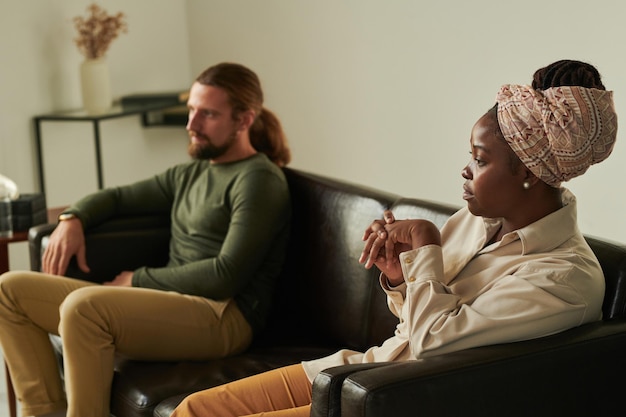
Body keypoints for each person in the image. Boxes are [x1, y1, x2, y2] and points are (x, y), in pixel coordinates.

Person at [169, 59, 618, 417]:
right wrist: (400, 279)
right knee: (193, 408)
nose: (465, 170)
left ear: (526, 173)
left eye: (479, 160)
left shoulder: (564, 279)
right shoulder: (476, 220)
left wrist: (425, 248)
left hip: (397, 399)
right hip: (361, 370)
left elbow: (434, 345)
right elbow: (415, 325)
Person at [0, 62, 292, 417]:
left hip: (223, 315)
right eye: (191, 111)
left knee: (83, 309)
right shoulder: (192, 173)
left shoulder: (259, 179)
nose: (191, 125)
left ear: (244, 120)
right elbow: (118, 197)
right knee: (9, 291)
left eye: (208, 114)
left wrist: (137, 279)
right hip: (171, 302)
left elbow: (225, 274)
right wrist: (72, 218)